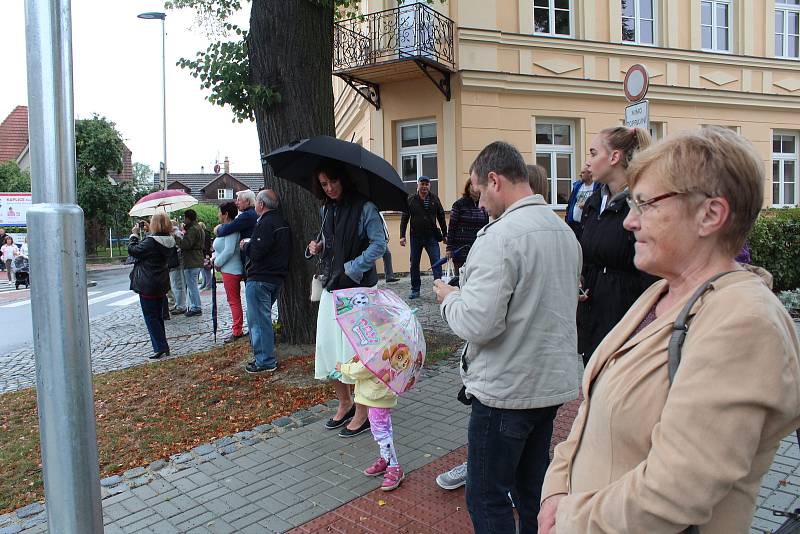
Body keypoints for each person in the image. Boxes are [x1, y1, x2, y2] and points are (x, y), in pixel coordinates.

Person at [538, 126, 800, 534]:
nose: (630, 222)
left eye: (645, 204)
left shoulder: (744, 322)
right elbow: (588, 411)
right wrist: (555, 489)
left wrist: (569, 519)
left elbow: (674, 493)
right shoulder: (663, 291)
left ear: (710, 215)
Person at [433, 141, 583, 534]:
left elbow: (478, 324)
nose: (479, 204)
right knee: (532, 490)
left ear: (495, 180)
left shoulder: (499, 238)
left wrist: (450, 298)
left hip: (506, 391)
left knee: (487, 497)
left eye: (480, 192)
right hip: (548, 387)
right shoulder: (562, 231)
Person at [306, 163, 386, 438]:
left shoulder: (366, 208)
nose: (329, 188)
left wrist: (353, 267)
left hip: (358, 290)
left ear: (344, 179)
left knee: (358, 352)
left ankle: (363, 411)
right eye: (324, 184)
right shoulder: (327, 208)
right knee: (330, 348)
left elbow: (379, 244)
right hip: (331, 286)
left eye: (333, 182)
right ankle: (345, 402)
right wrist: (318, 247)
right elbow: (332, 244)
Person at [577, 126, 656, 364]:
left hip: (625, 325)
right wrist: (582, 279)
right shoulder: (594, 201)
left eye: (593, 153)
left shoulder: (640, 203)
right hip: (593, 320)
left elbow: (651, 275)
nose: (588, 162)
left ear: (614, 157)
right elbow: (591, 254)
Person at [336, 354, 404, 491]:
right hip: (381, 392)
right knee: (385, 428)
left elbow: (364, 369)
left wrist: (343, 368)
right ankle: (386, 458)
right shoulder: (387, 343)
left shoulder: (377, 348)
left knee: (381, 432)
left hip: (378, 396)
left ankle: (394, 466)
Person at [241, 189, 291, 373]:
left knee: (259, 321)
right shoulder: (282, 222)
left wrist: (246, 246)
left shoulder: (266, 223)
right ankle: (263, 357)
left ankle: (265, 361)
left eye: (256, 202)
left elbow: (257, 252)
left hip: (261, 277)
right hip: (276, 277)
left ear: (261, 204)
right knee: (261, 318)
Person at [128, 212, 175, 360]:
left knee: (150, 317)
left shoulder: (151, 242)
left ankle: (160, 347)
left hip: (148, 282)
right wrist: (150, 232)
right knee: (158, 316)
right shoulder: (169, 239)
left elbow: (134, 251)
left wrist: (134, 236)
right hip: (161, 281)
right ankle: (163, 345)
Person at [399, 176, 447, 299]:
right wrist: (402, 236)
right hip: (415, 237)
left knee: (436, 262)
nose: (424, 186)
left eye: (426, 184)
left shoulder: (435, 199)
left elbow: (441, 217)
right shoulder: (410, 199)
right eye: (422, 184)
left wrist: (445, 234)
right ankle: (415, 289)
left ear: (429, 186)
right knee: (414, 264)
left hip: (431, 236)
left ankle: (439, 290)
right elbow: (404, 218)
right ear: (418, 185)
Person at [214, 202, 245, 344]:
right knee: (233, 300)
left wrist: (216, 263)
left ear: (226, 214)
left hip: (231, 269)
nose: (218, 215)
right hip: (227, 268)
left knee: (234, 301)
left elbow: (229, 250)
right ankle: (237, 329)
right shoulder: (226, 229)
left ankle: (237, 330)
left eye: (219, 212)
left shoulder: (231, 229)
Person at [446, 179, 489, 275]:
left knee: (476, 277)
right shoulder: (459, 205)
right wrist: (449, 248)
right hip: (461, 249)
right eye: (472, 186)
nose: (475, 189)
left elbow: (485, 228)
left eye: (477, 185)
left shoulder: (483, 206)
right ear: (468, 188)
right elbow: (452, 227)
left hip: (478, 249)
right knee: (461, 278)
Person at [216, 189, 258, 269]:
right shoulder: (254, 213)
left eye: (239, 200)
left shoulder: (247, 216)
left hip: (248, 258)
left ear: (248, 202)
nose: (236, 203)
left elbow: (227, 229)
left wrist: (218, 229)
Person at [176, 209, 205, 317]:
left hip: (191, 260)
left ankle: (196, 307)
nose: (184, 220)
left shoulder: (193, 229)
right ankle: (195, 306)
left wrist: (177, 239)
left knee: (192, 286)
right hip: (196, 259)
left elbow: (186, 245)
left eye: (184, 218)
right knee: (193, 285)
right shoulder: (198, 227)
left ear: (188, 218)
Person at [565, 165, 600, 238]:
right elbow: (570, 204)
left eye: (583, 172)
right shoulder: (577, 186)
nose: (580, 175)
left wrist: (587, 204)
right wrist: (567, 218)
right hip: (574, 225)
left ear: (590, 173)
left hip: (589, 225)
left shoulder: (598, 186)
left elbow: (599, 202)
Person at [168, 219, 187, 315]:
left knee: (177, 284)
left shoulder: (176, 234)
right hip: (176, 262)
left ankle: (181, 305)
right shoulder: (176, 233)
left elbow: (179, 247)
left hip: (177, 262)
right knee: (176, 284)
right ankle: (178, 304)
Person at [379, 212, 399, 283]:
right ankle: (389, 276)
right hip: (377, 238)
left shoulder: (379, 213)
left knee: (387, 254)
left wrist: (386, 236)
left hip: (382, 238)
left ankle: (389, 276)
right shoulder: (373, 212)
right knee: (372, 257)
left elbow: (383, 226)